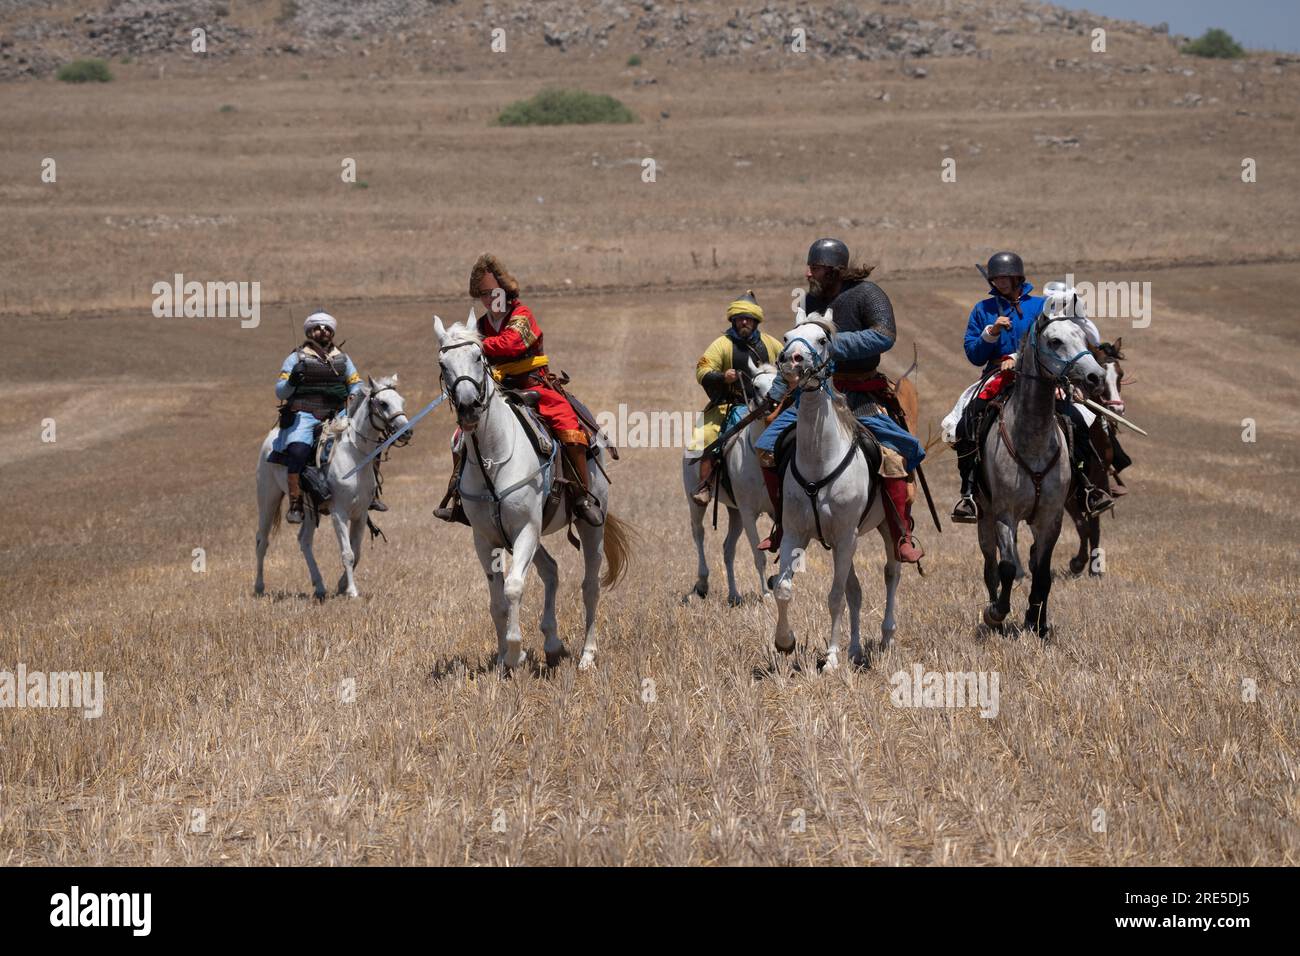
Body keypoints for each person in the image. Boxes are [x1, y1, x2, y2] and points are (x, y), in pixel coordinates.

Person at [754, 238, 926, 563]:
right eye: (810, 266)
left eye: (815, 267)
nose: (808, 272)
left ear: (834, 270)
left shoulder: (867, 294)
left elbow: (884, 335)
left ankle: (901, 533)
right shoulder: (810, 299)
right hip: (818, 392)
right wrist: (776, 395)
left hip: (861, 393)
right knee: (766, 446)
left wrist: (833, 342)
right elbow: (797, 354)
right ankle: (782, 523)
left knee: (895, 457)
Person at [433, 253, 603, 527]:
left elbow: (511, 344)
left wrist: (472, 345)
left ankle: (583, 497)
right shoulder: (481, 325)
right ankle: (460, 500)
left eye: (492, 292)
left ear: (504, 290)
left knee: (568, 426)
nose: (488, 299)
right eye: (482, 295)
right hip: (497, 389)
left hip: (535, 384)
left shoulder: (521, 315)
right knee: (458, 438)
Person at [949, 254, 1113, 523]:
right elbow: (974, 354)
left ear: (1017, 278)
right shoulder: (983, 310)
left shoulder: (1042, 307)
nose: (1000, 282)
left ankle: (1086, 486)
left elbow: (1060, 343)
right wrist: (991, 333)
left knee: (1077, 421)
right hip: (997, 378)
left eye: (1005, 277)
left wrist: (1025, 359)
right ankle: (968, 493)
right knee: (966, 424)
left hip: (1044, 381)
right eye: (996, 278)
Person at [269, 311, 368, 524]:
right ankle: (295, 502)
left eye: (327, 328)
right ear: (310, 332)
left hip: (337, 413)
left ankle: (371, 493)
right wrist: (292, 381)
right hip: (305, 413)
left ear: (332, 332)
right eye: (318, 327)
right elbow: (280, 392)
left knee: (366, 440)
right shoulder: (295, 358)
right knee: (298, 450)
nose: (323, 331)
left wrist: (354, 393)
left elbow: (356, 382)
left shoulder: (342, 358)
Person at [686, 291, 783, 506]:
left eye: (748, 318)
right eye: (740, 318)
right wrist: (723, 377)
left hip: (768, 407)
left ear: (756, 320)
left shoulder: (771, 344)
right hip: (729, 406)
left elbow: (786, 365)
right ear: (733, 320)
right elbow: (701, 370)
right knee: (710, 437)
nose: (744, 321)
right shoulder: (721, 344)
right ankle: (706, 485)